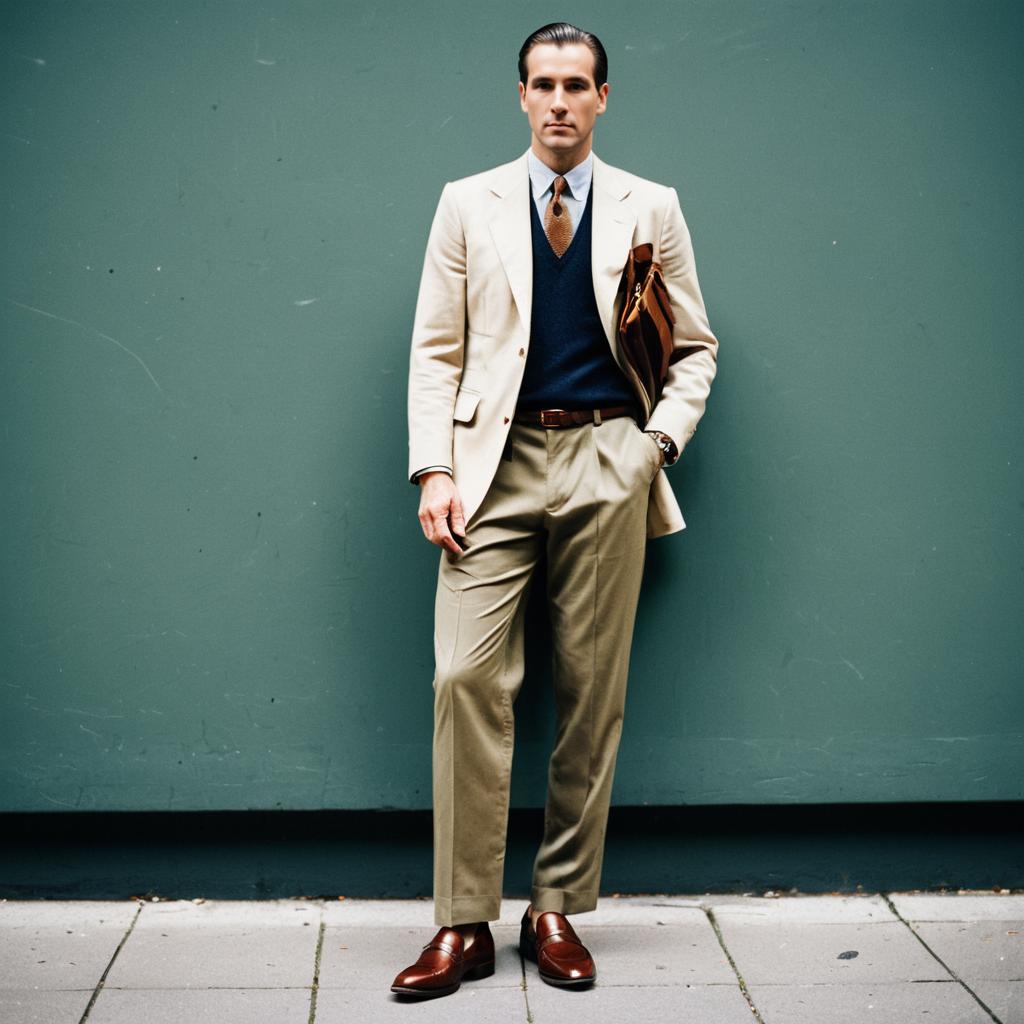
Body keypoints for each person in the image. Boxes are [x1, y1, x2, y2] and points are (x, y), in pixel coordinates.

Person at [391, 21, 719, 1000]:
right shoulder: (466, 203)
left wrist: (651, 445)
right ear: (521, 95)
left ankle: (556, 907)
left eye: (578, 84)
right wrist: (432, 472)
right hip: (491, 464)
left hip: (603, 460)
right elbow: (434, 351)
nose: (560, 101)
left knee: (590, 691)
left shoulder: (648, 205)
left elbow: (694, 346)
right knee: (464, 677)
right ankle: (462, 922)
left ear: (604, 98)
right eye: (544, 83)